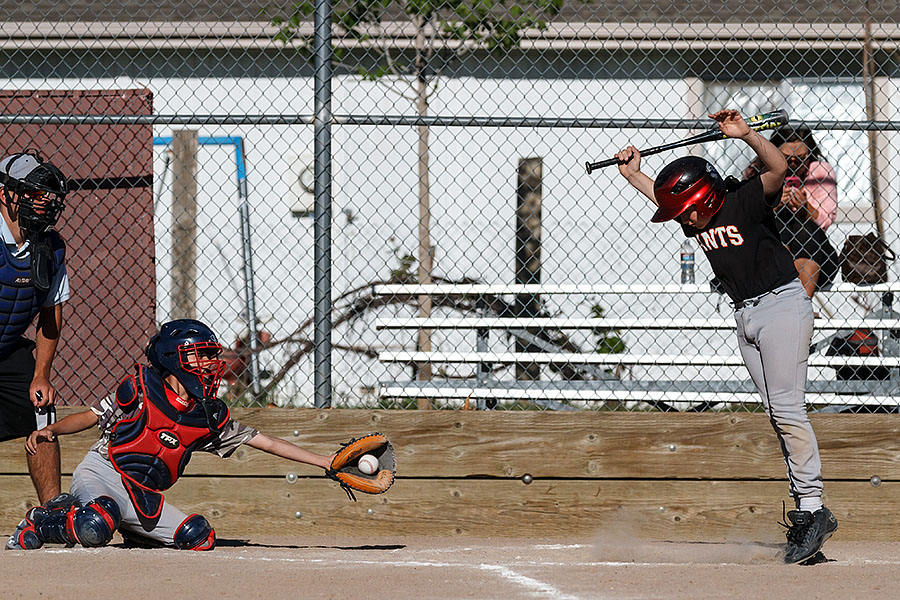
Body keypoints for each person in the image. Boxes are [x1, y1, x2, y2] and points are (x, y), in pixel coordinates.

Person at [613, 109, 838, 564]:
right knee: (778, 413)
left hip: (782, 306)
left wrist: (748, 134)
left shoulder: (743, 200)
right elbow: (664, 199)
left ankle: (814, 511)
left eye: (684, 211)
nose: (684, 222)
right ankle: (805, 511)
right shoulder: (695, 216)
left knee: (789, 410)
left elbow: (778, 169)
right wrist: (634, 175)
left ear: (701, 197)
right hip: (747, 315)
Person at [7, 319, 334, 551]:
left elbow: (267, 442)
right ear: (174, 358)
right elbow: (92, 416)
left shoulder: (207, 416)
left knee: (198, 536)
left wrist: (326, 461)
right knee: (96, 523)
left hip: (142, 493)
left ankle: (138, 531)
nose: (210, 364)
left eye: (210, 355)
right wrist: (51, 428)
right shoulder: (140, 389)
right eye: (200, 355)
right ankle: (40, 521)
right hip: (103, 473)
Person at [0, 150, 70, 505]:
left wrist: (41, 373)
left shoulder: (50, 246)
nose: (42, 202)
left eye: (46, 194)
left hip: (7, 349)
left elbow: (50, 315)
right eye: (32, 193)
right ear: (4, 194)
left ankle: (52, 511)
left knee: (41, 404)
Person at [744, 126, 840, 298]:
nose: (794, 163)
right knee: (777, 225)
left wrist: (806, 208)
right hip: (770, 250)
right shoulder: (759, 169)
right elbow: (744, 217)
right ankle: (788, 305)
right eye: (787, 158)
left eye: (802, 158)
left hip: (815, 253)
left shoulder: (819, 171)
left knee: (806, 229)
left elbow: (826, 219)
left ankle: (801, 305)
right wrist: (772, 205)